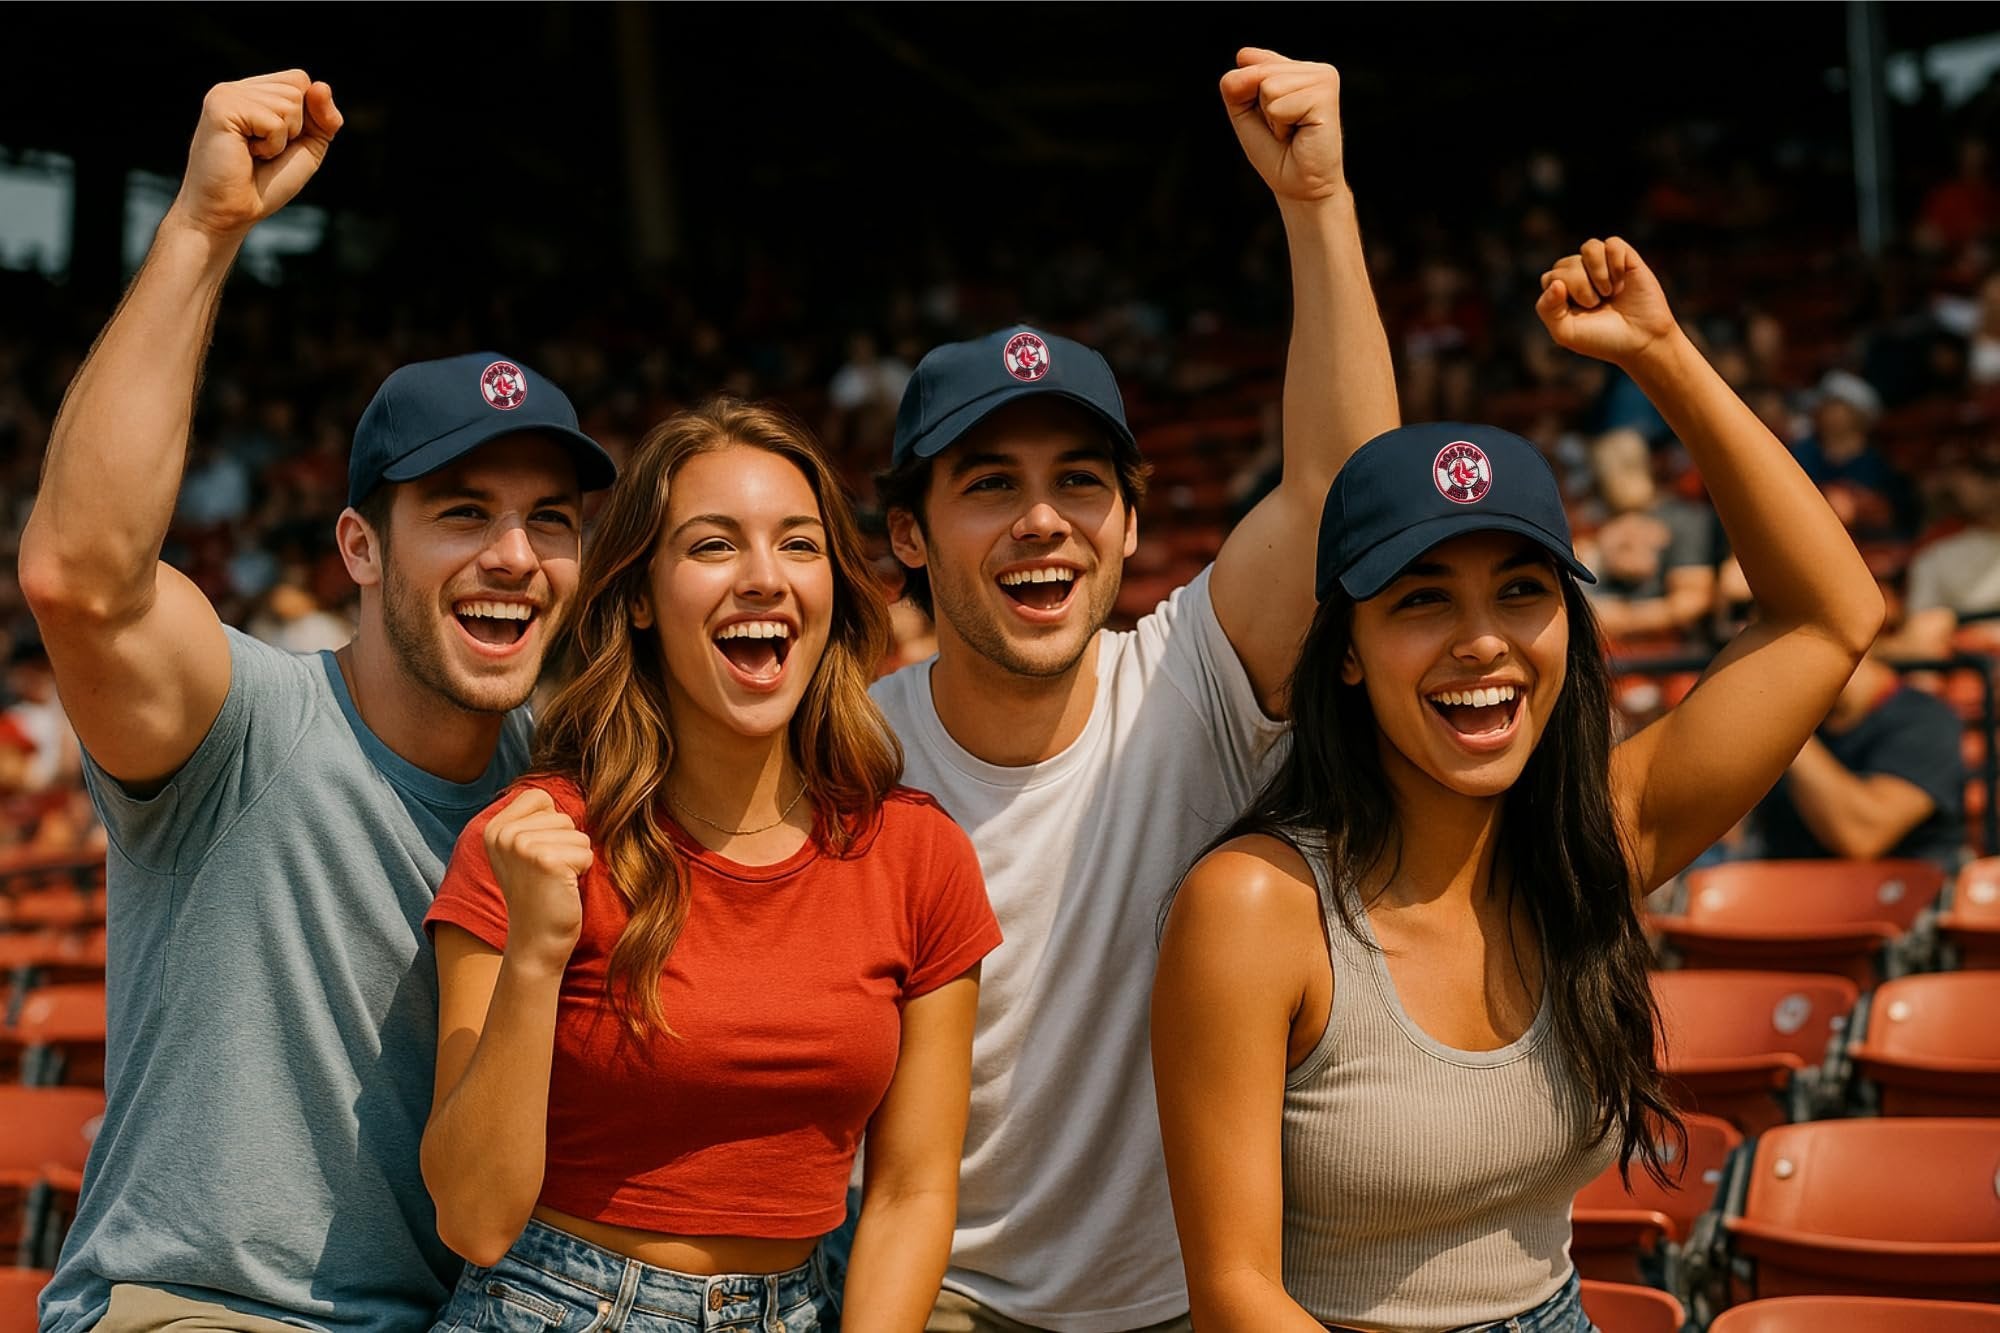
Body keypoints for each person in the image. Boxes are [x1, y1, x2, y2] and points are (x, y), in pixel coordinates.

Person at [1152, 237, 1882, 1332]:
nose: (1482, 642)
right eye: (1420, 600)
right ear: (1343, 649)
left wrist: (1659, 352)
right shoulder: (1256, 905)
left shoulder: (1597, 838)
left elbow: (1830, 616)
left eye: (1520, 590)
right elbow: (1234, 1295)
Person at [22, 72, 617, 1333]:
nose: (514, 554)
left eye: (549, 521)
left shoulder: (570, 773)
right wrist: (200, 227)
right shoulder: (241, 723)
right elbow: (80, 577)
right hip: (200, 1306)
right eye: (462, 512)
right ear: (357, 547)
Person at [860, 49, 1399, 1333]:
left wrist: (1315, 204)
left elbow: (1343, 494)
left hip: (1199, 1302)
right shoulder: (849, 753)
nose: (1043, 521)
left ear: (1127, 524)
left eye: (1079, 482)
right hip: (938, 1296)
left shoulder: (1185, 680)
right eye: (988, 483)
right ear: (907, 537)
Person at [422, 400, 999, 1332]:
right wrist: (535, 952)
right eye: (713, 546)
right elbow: (474, 1218)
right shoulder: (532, 837)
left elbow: (912, 1192)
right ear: (640, 595)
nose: (764, 579)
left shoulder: (922, 855)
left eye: (799, 545)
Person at [1752, 648, 1966, 870]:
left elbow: (1863, 836)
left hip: (1899, 896)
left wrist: (1784, 726)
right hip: (1785, 891)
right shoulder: (1800, 717)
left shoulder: (1926, 720)